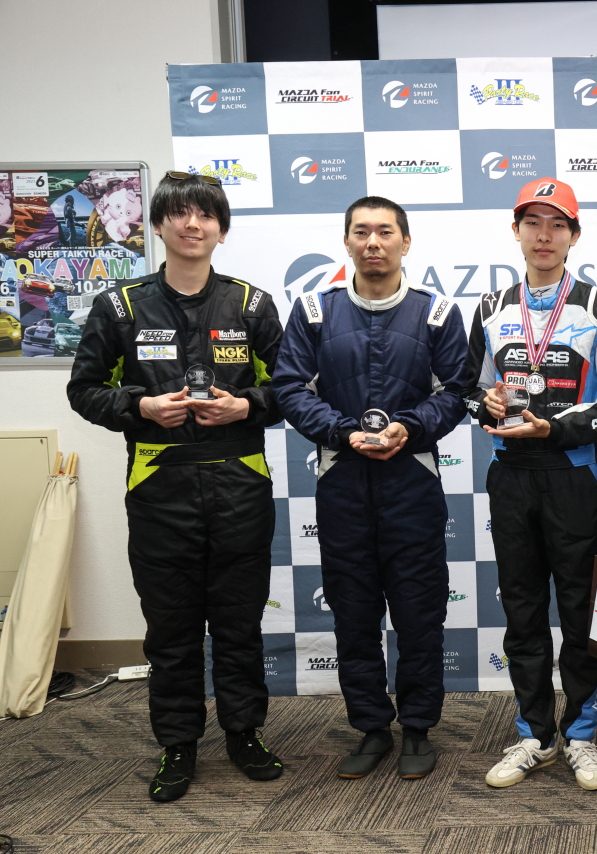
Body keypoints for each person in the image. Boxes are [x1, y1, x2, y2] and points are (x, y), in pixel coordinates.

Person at [66, 170, 284, 802]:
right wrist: (140, 407)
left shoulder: (252, 305)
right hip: (159, 489)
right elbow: (84, 390)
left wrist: (246, 406)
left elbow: (293, 389)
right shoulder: (120, 306)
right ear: (158, 225)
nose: (193, 224)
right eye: (180, 213)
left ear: (222, 229)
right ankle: (178, 744)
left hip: (240, 485)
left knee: (239, 623)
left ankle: (244, 734)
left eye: (206, 214)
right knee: (171, 629)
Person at [273, 196, 468, 781]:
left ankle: (418, 728)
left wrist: (411, 427)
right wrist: (341, 431)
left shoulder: (436, 313)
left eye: (385, 232)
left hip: (413, 482)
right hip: (343, 482)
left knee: (419, 612)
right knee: (354, 613)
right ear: (347, 242)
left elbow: (457, 391)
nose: (373, 243)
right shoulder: (314, 312)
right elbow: (289, 387)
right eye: (361, 232)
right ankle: (370, 728)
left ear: (406, 242)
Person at [464, 178, 597, 791]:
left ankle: (581, 736)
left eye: (557, 224)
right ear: (517, 231)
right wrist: (486, 403)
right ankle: (535, 734)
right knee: (522, 612)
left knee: (581, 613)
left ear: (574, 235)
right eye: (533, 222)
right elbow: (471, 391)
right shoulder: (490, 308)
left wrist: (554, 428)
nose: (544, 235)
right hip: (510, 478)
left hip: (572, 475)